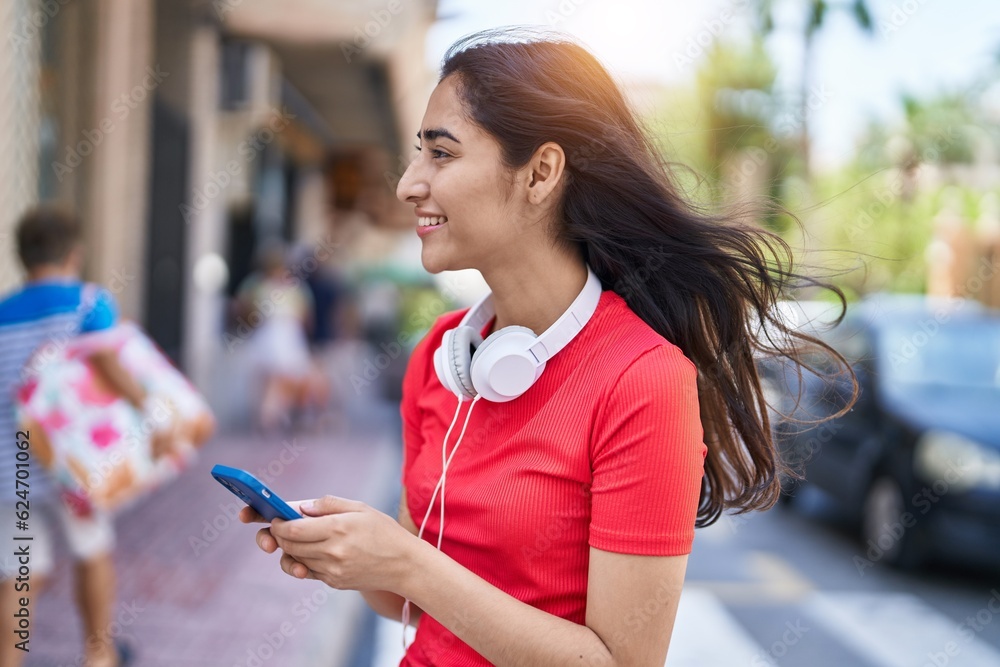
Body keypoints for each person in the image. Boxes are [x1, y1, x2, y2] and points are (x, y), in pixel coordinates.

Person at [239, 29, 855, 666]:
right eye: (417, 155)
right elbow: (401, 602)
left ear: (540, 173)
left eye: (441, 155)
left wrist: (408, 563)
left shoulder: (642, 379)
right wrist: (351, 551)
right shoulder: (441, 357)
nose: (409, 184)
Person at [0, 206, 145, 667]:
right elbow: (109, 366)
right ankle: (98, 654)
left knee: (20, 572)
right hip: (72, 461)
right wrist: (150, 406)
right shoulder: (88, 302)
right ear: (74, 254)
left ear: (22, 257)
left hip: (13, 463)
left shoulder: (2, 312)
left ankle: (9, 658)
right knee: (91, 551)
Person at [233, 240, 318, 433]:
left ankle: (269, 416)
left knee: (272, 380)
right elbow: (305, 315)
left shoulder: (257, 285)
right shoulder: (290, 288)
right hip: (280, 337)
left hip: (272, 336)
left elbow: (242, 309)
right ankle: (271, 416)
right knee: (277, 379)